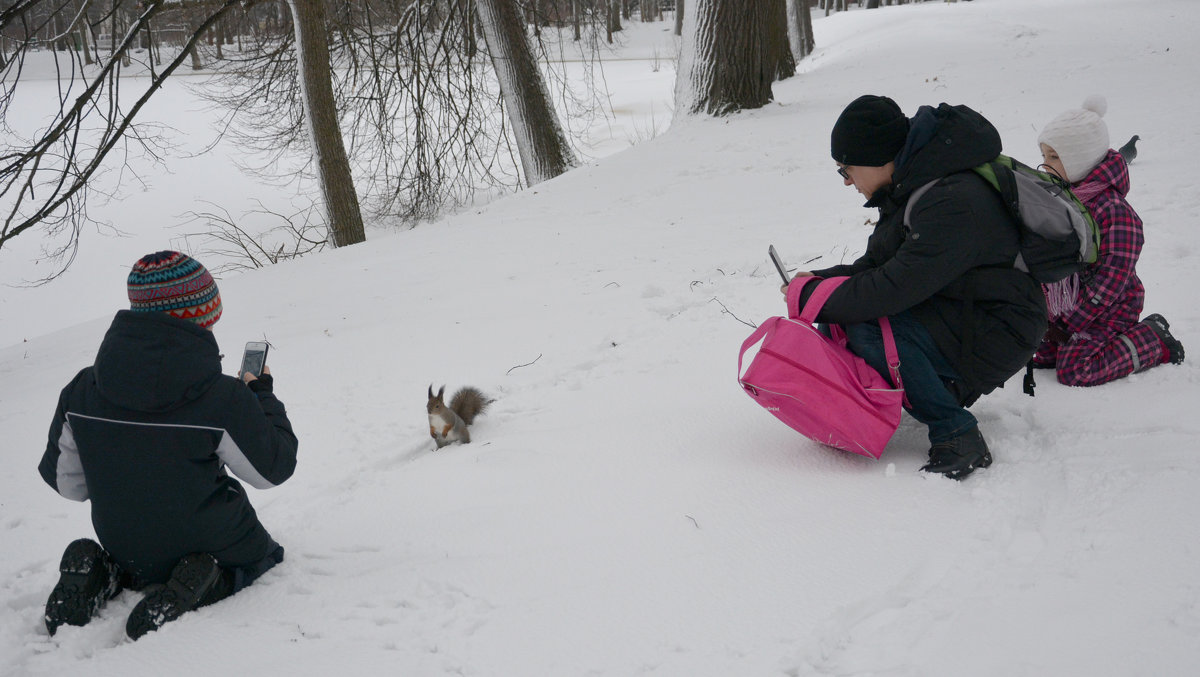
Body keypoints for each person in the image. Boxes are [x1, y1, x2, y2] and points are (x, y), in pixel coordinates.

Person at [782, 95, 1047, 480]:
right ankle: (858, 408)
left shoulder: (950, 201)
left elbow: (891, 288)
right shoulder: (912, 185)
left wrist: (820, 298)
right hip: (964, 308)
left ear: (875, 157)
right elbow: (876, 268)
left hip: (999, 327)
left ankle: (957, 434)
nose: (847, 182)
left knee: (866, 325)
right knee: (844, 312)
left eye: (846, 169)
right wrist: (820, 282)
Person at [38, 251, 298, 639]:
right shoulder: (222, 397)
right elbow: (272, 470)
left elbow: (68, 486)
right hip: (218, 542)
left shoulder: (82, 388)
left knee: (134, 562)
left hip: (125, 545)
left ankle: (103, 572)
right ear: (200, 315)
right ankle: (205, 581)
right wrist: (260, 395)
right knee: (263, 558)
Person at [1032, 96, 1184, 384]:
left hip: (1110, 306)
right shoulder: (1061, 199)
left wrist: (1071, 322)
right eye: (1044, 156)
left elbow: (1111, 281)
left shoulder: (1113, 212)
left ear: (1079, 159)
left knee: (1075, 370)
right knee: (1040, 353)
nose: (1044, 165)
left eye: (1054, 157)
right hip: (1069, 305)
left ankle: (1153, 339)